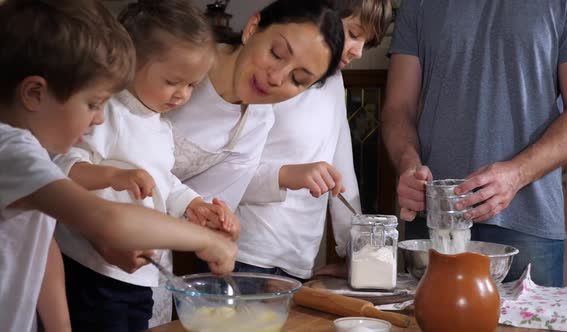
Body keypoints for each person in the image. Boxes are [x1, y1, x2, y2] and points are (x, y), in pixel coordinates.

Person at [0, 1, 236, 331]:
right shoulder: (9, 149)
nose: (98, 117)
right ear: (35, 93)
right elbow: (108, 219)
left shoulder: (24, 154)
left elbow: (43, 248)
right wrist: (208, 241)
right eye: (93, 104)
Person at [382, 0, 567, 287]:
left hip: (529, 222)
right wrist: (408, 164)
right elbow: (397, 109)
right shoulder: (418, 4)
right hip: (434, 220)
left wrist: (516, 174)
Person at [234, 0, 392, 280]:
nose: (357, 51)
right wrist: (288, 175)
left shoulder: (334, 82)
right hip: (244, 255)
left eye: (366, 44)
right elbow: (224, 175)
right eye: (354, 34)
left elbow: (343, 174)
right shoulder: (270, 77)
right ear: (323, 17)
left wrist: (354, 252)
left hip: (299, 260)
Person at [165, 0, 345, 214]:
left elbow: (204, 208)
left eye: (297, 79)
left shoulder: (257, 122)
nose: (276, 78)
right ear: (252, 29)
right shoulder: (181, 56)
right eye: (276, 53)